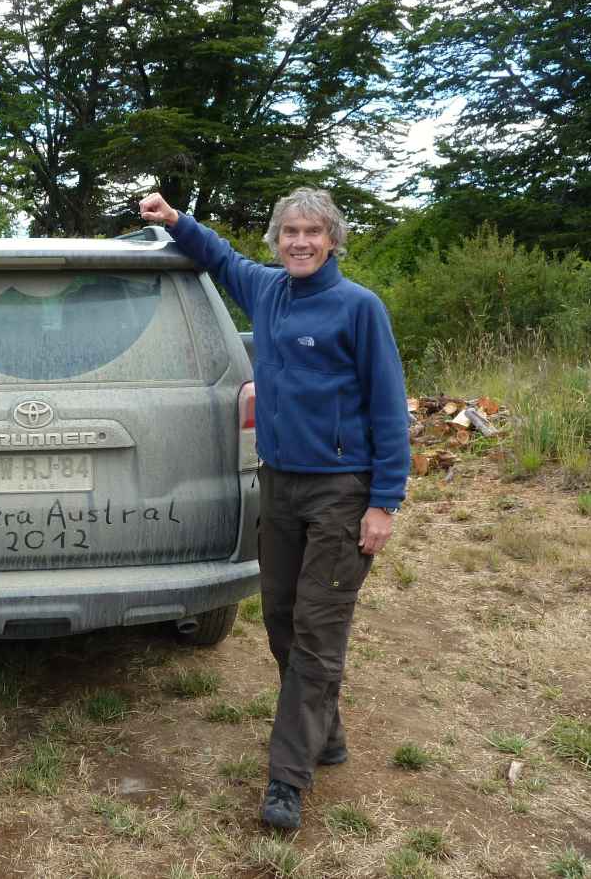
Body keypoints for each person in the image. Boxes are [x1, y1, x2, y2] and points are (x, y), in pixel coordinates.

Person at [139, 188, 410, 830]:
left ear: (333, 239)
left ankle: (287, 777)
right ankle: (325, 731)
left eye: (313, 232)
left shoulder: (358, 309)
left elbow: (388, 409)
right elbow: (219, 257)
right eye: (290, 232)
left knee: (318, 632)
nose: (301, 242)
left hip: (342, 490)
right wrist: (176, 220)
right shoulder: (267, 290)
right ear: (277, 239)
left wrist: (383, 503)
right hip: (279, 484)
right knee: (282, 618)